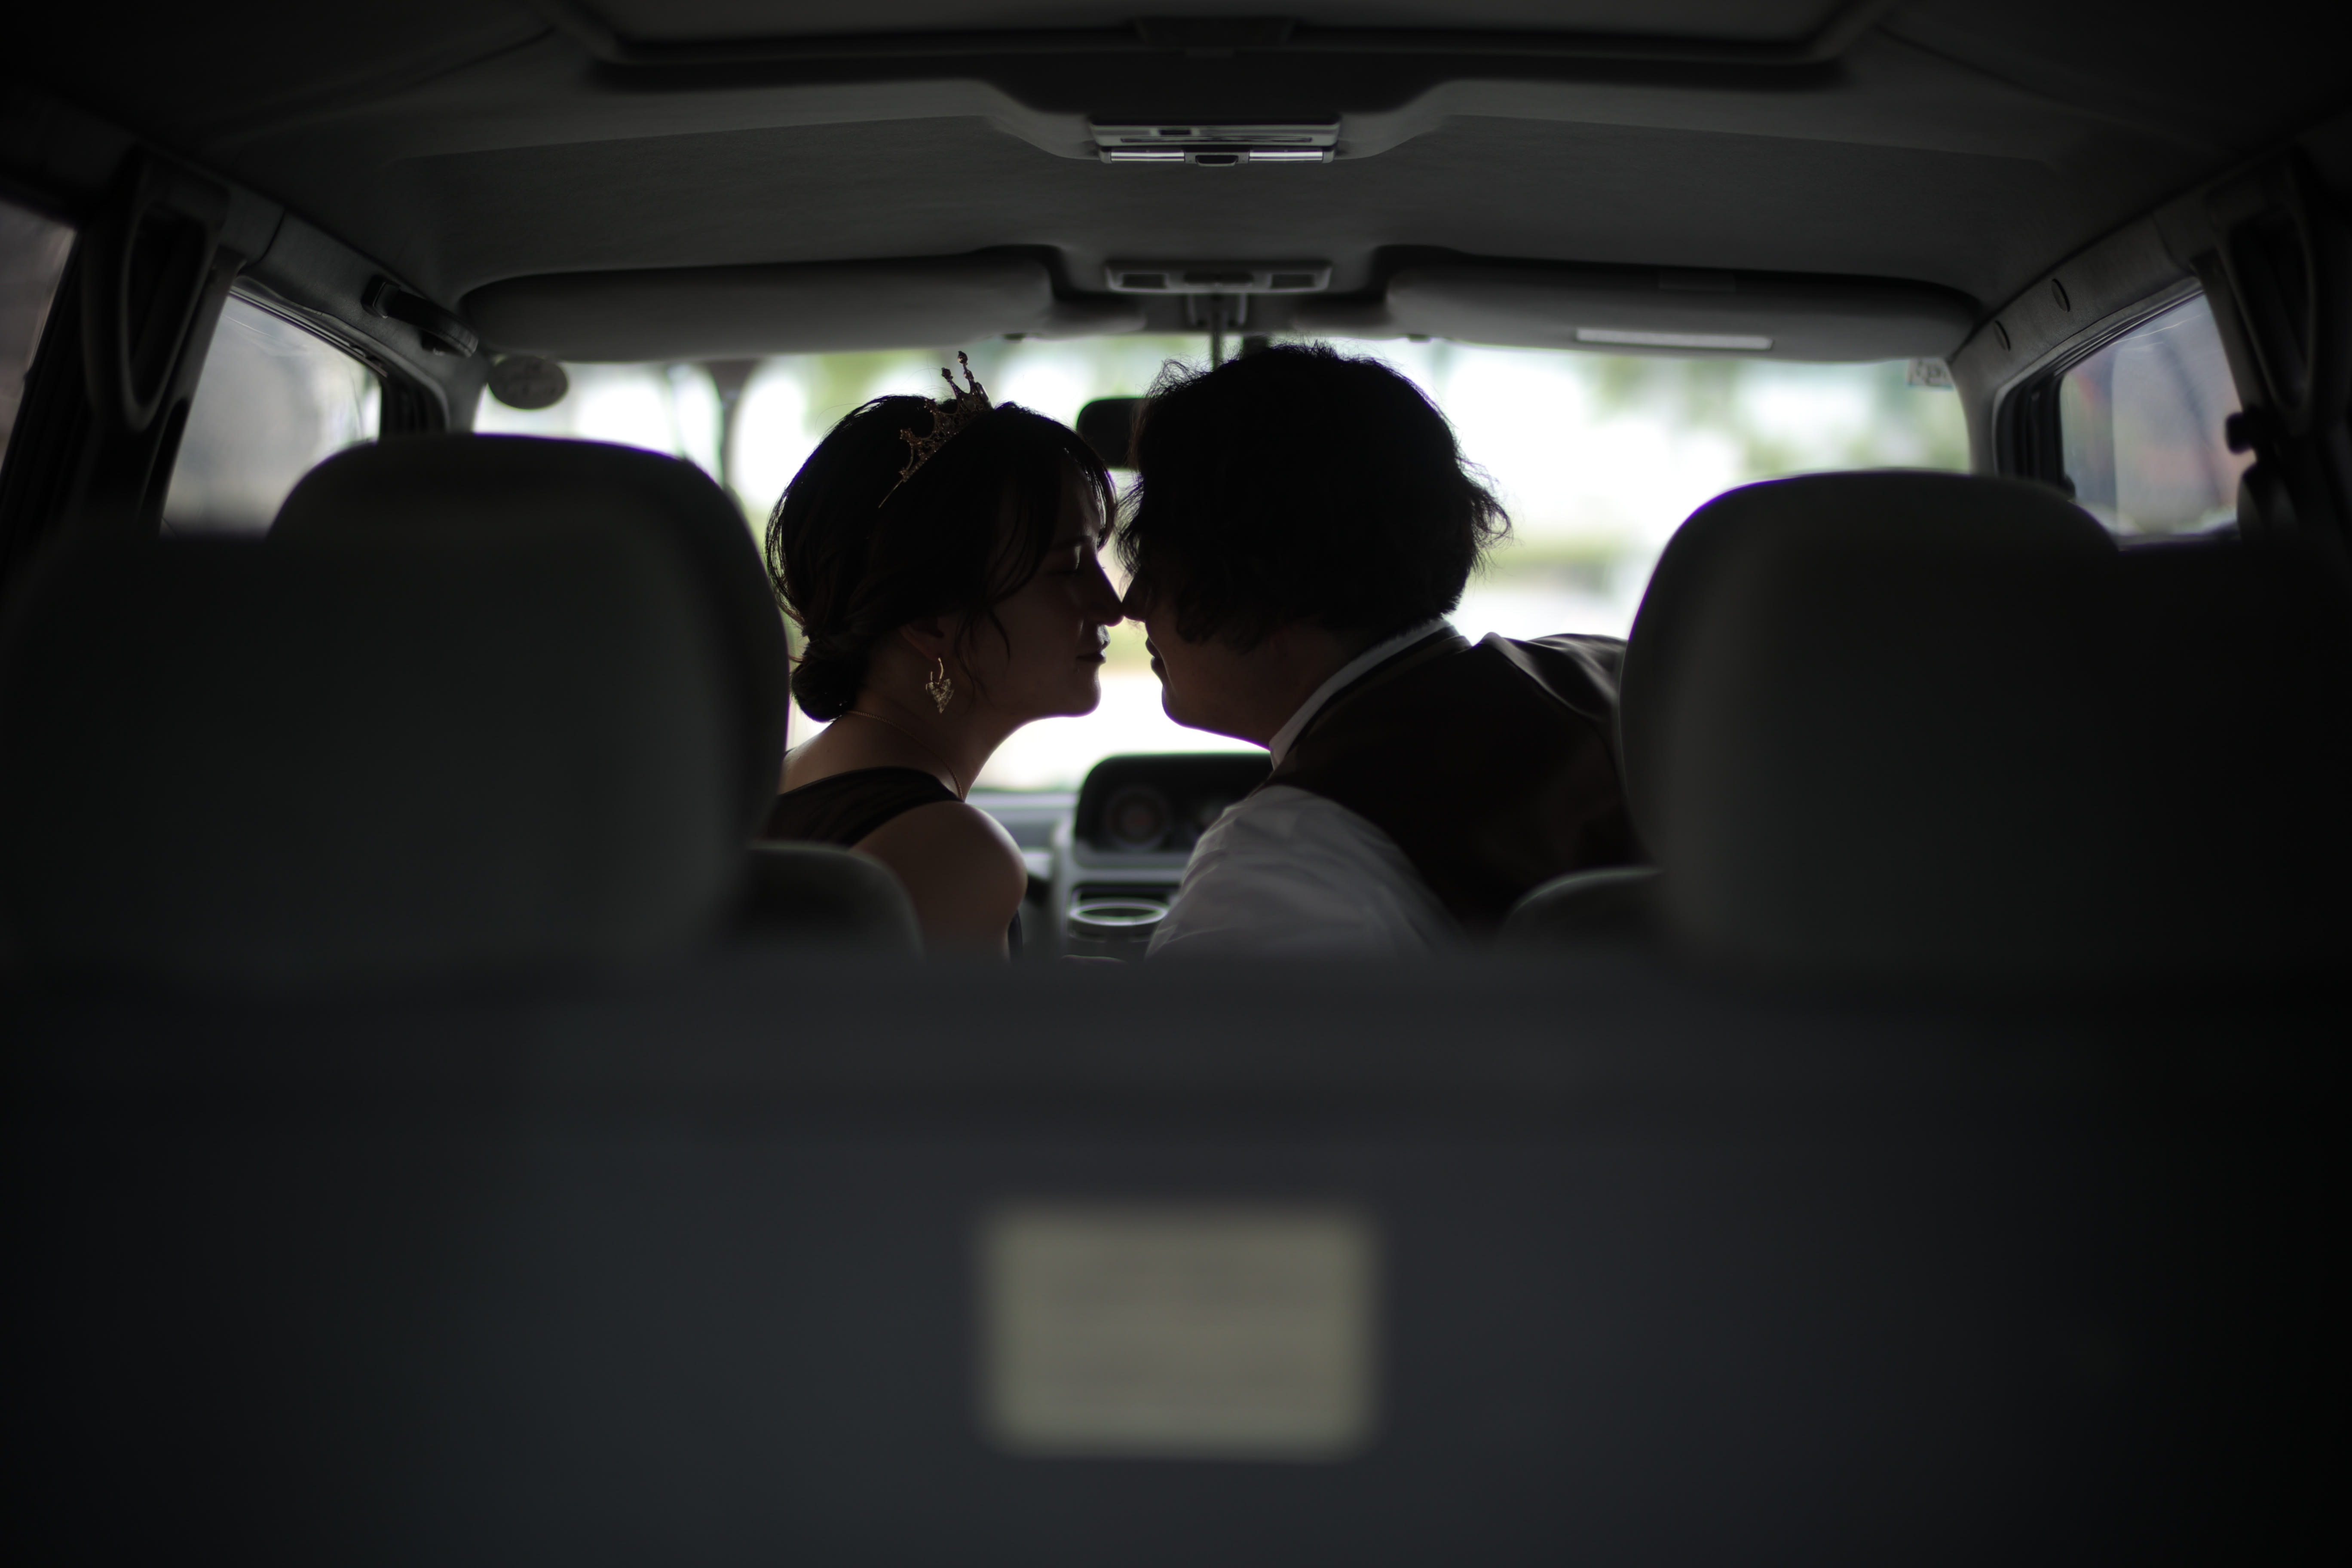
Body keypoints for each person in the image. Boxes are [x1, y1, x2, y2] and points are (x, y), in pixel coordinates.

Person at [1119, 343, 1639, 957]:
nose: (1131, 603)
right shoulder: (1625, 678)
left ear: (1264, 588)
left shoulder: (1290, 862)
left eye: (1155, 565)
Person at [762, 356, 1123, 953]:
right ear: (931, 620)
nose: (1112, 606)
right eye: (1068, 568)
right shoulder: (953, 853)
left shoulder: (784, 783)